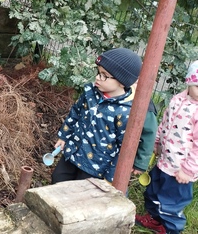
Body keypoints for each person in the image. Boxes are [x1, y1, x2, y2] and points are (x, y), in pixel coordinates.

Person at [51, 48, 157, 184]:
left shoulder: (126, 112)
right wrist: (64, 136)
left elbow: (123, 149)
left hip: (96, 166)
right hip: (73, 152)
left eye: (104, 75)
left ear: (122, 81)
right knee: (58, 180)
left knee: (81, 196)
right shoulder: (90, 93)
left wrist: (111, 177)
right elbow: (75, 113)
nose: (97, 78)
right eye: (98, 72)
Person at [135, 60, 198, 234]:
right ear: (189, 82)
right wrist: (156, 141)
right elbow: (165, 122)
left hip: (181, 171)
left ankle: (171, 229)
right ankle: (155, 220)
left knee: (171, 204)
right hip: (165, 161)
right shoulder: (178, 99)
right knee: (152, 193)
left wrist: (188, 170)